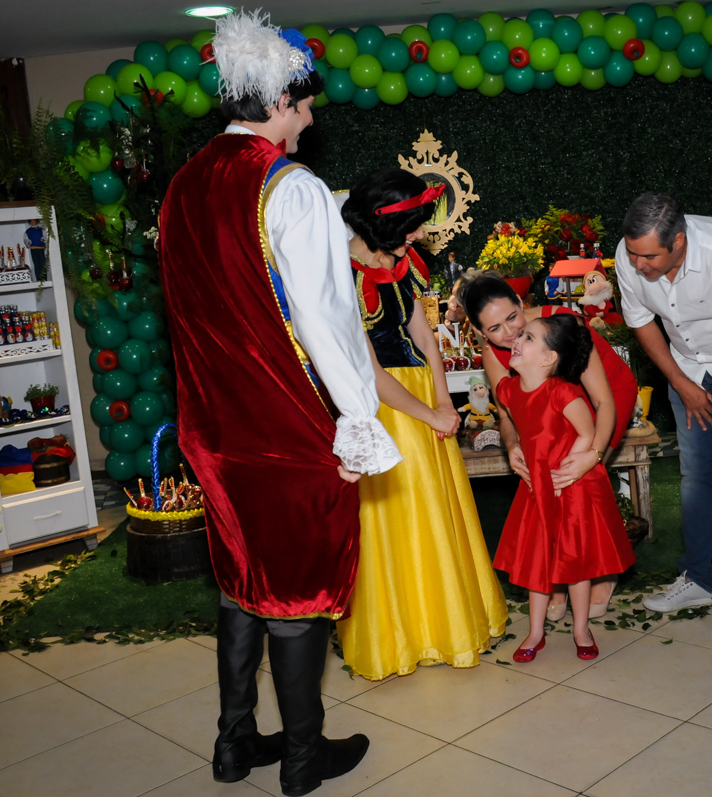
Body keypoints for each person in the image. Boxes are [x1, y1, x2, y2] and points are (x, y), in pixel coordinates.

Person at [158, 12, 400, 794]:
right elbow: (328, 318)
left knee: (241, 581)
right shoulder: (290, 188)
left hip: (213, 431)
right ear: (278, 100)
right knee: (296, 589)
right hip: (283, 427)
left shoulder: (182, 185)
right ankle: (302, 755)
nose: (309, 119)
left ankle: (235, 745)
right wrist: (360, 418)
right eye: (303, 105)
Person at [335, 168, 507, 681]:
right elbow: (362, 367)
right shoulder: (341, 275)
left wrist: (443, 401)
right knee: (397, 522)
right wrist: (426, 412)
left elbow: (425, 335)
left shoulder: (406, 262)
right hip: (380, 407)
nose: (420, 235)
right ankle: (403, 634)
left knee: (438, 511)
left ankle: (449, 620)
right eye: (413, 226)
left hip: (421, 399)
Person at [616, 192, 712, 635]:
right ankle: (697, 578)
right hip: (686, 372)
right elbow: (641, 322)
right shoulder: (630, 253)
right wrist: (683, 385)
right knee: (694, 474)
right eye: (633, 254)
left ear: (679, 242)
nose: (638, 264)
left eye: (649, 256)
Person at [463, 274, 638, 619]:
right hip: (550, 409)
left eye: (513, 317)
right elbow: (510, 412)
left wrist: (593, 454)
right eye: (495, 329)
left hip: (601, 398)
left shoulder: (563, 323)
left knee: (584, 483)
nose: (510, 333)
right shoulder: (494, 356)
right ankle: (557, 580)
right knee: (548, 486)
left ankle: (603, 569)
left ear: (519, 301)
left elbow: (602, 401)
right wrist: (513, 446)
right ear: (481, 333)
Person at [494, 314, 637, 662]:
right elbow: (508, 420)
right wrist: (514, 449)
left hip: (571, 488)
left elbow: (587, 433)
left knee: (576, 562)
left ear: (548, 359)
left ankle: (581, 628)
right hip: (536, 491)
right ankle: (535, 631)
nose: (515, 339)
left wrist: (565, 473)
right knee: (537, 563)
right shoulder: (508, 390)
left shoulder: (563, 392)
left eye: (527, 337)